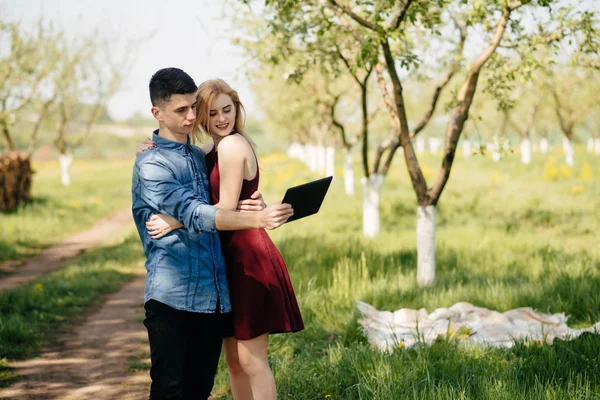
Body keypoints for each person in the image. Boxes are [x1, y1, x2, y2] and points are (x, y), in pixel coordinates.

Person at [132, 68, 293, 400]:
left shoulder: (212, 150)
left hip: (227, 273)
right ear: (158, 113)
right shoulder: (172, 158)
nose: (194, 116)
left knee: (223, 374)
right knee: (189, 379)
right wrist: (152, 145)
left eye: (195, 107)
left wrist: (254, 210)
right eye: (185, 110)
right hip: (192, 280)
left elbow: (220, 203)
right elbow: (198, 206)